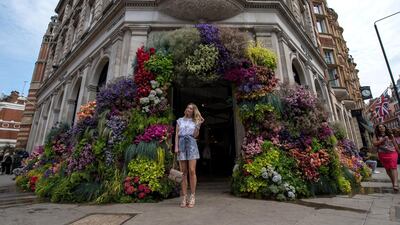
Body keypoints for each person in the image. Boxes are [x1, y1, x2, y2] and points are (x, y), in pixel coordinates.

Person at [175, 103, 205, 208]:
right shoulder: (179, 120)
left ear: (193, 111)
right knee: (183, 172)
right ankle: (184, 197)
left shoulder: (195, 121)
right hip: (181, 144)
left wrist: (199, 124)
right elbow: (176, 134)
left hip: (192, 144)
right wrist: (176, 147)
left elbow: (196, 135)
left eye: (191, 109)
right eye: (188, 107)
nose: (189, 109)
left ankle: (192, 196)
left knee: (192, 171)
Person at [373, 124, 399, 192]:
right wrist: (382, 140)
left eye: (383, 127)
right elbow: (374, 143)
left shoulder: (390, 135)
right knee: (388, 169)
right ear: (378, 129)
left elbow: (395, 144)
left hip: (392, 153)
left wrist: (398, 151)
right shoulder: (376, 136)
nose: (381, 128)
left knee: (393, 167)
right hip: (382, 154)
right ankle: (393, 182)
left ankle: (396, 184)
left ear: (385, 127)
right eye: (380, 127)